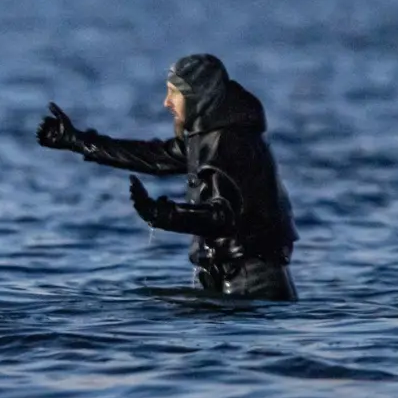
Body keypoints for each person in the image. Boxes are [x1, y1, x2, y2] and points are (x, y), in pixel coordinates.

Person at [36, 53, 297, 300]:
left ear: (199, 97)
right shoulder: (210, 136)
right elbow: (153, 157)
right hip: (237, 280)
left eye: (174, 92)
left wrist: (161, 214)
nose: (166, 102)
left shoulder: (230, 142)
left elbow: (222, 217)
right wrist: (77, 141)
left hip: (252, 284)